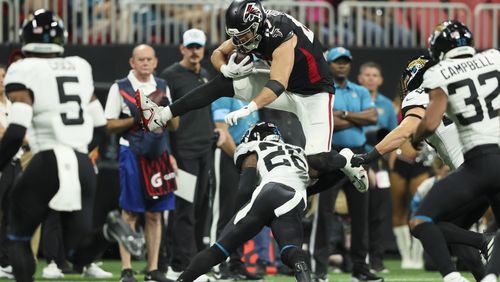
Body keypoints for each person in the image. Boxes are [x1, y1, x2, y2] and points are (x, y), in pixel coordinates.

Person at [135, 0, 367, 192]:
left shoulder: (281, 34)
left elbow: (278, 83)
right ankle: (160, 116)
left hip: (314, 96)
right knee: (223, 83)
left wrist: (249, 107)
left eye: (244, 36)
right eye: (236, 36)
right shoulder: (247, 29)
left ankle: (346, 160)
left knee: (316, 165)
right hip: (286, 87)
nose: (240, 42)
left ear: (257, 26)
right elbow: (218, 53)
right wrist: (224, 68)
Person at [352, 55, 492, 281]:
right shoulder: (463, 88)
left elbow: (406, 130)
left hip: (473, 172)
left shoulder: (422, 94)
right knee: (456, 232)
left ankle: (482, 245)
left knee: (425, 223)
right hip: (491, 166)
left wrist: (369, 155)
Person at [1, 9, 108, 282]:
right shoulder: (80, 66)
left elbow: (15, 133)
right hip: (81, 162)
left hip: (47, 160)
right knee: (75, 252)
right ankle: (108, 233)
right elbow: (100, 127)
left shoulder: (22, 68)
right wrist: (79, 151)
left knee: (18, 234)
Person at [406, 20, 500, 282]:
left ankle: (451, 276)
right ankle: (490, 277)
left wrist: (416, 138)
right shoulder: (495, 57)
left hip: (478, 163)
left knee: (421, 220)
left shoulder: (439, 73)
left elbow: (431, 122)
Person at [176, 121, 313, 282]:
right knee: (291, 250)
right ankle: (304, 275)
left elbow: (246, 188)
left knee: (220, 248)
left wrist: (240, 216)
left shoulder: (255, 147)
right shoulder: (297, 151)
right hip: (295, 198)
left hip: (269, 192)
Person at [104, 44, 179, 282]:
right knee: (130, 213)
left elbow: (174, 127)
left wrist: (167, 112)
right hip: (132, 153)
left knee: (156, 214)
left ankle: (152, 269)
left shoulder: (163, 87)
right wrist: (133, 119)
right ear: (132, 62)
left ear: (155, 62)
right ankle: (126, 270)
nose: (145, 63)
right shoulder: (120, 87)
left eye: (149, 59)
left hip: (158, 155)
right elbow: (108, 125)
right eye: (141, 59)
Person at [156, 29, 224, 282]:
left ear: (204, 49)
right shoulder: (169, 76)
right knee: (184, 210)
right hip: (182, 152)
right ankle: (179, 264)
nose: (195, 51)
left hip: (204, 150)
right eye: (191, 47)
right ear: (182, 49)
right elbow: (163, 118)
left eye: (199, 47)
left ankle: (191, 262)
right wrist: (169, 152)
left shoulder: (205, 75)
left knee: (201, 210)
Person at [310, 46, 382, 282]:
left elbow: (372, 118)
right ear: (328, 64)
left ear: (350, 64)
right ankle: (319, 269)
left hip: (358, 154)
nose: (341, 65)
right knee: (324, 213)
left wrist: (343, 115)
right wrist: (354, 118)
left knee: (361, 213)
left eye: (345, 61)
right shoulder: (321, 90)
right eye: (336, 61)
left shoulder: (360, 90)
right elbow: (327, 123)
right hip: (330, 154)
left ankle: (360, 268)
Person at [209, 96, 262, 280]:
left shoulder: (254, 96)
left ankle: (236, 264)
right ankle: (217, 265)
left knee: (242, 215)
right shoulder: (224, 96)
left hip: (247, 159)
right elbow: (222, 132)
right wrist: (240, 158)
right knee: (223, 213)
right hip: (227, 155)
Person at [357, 61, 397, 273]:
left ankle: (377, 260)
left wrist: (387, 168)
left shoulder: (387, 105)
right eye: (367, 74)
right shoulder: (354, 99)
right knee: (357, 213)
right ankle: (356, 258)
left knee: (379, 213)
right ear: (360, 78)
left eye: (375, 75)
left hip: (379, 164)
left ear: (380, 80)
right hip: (356, 160)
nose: (371, 78)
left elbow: (394, 137)